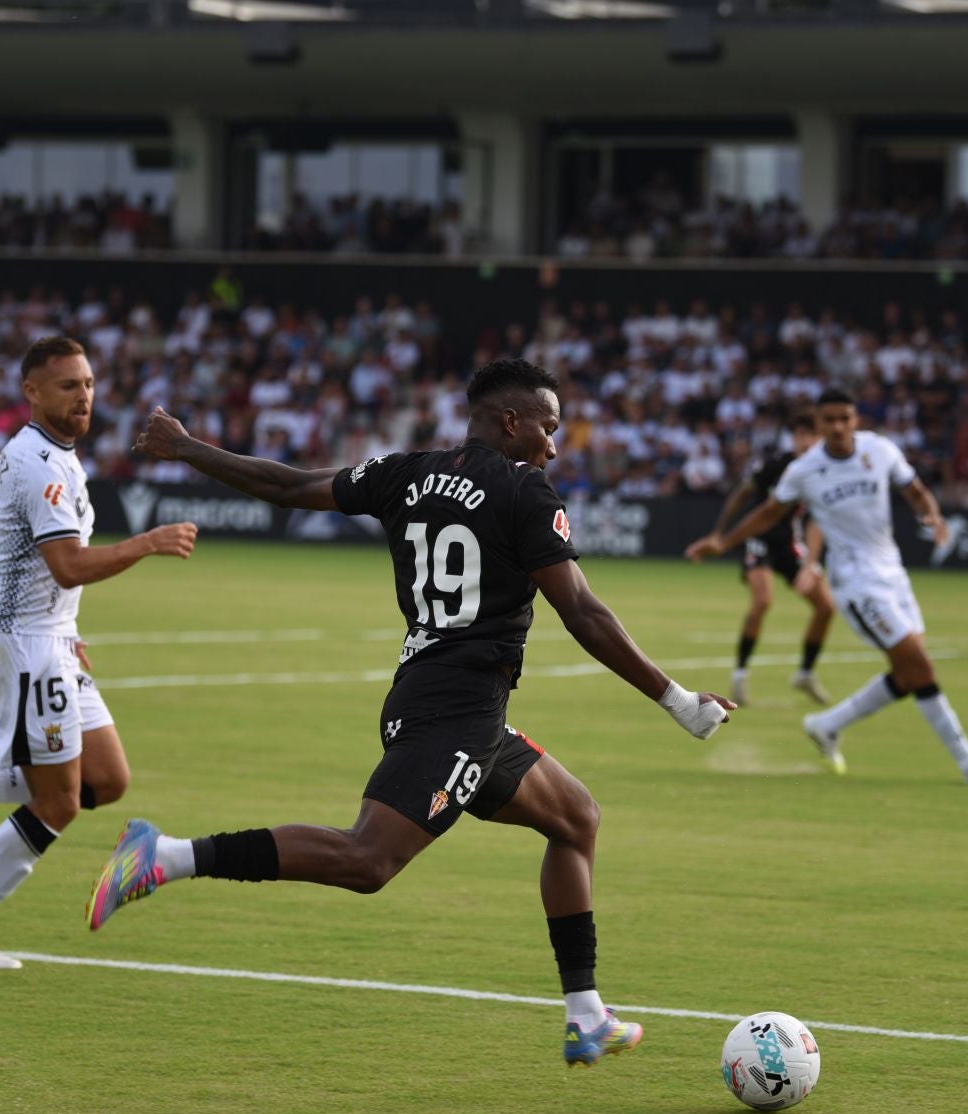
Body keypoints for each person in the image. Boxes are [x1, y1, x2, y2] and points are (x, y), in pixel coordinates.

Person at [87, 358, 735, 1068]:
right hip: (454, 713)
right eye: (548, 428)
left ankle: (586, 1016)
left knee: (575, 817)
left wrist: (187, 447)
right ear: (510, 421)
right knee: (368, 859)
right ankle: (166, 856)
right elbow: (580, 608)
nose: (554, 445)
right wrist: (676, 700)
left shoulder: (408, 470)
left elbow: (287, 484)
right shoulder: (524, 489)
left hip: (451, 705)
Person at [0, 336, 198, 969]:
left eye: (89, 383)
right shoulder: (38, 462)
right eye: (68, 385)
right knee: (60, 801)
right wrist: (147, 542)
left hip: (49, 639)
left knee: (107, 779)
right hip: (27, 647)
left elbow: (10, 553)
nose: (84, 396)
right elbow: (66, 565)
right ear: (31, 392)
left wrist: (65, 628)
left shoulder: (51, 457)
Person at [686, 389, 968, 785]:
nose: (838, 427)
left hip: (893, 575)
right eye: (829, 420)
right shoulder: (804, 470)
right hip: (856, 584)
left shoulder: (879, 450)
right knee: (920, 666)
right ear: (820, 422)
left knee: (910, 671)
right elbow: (768, 512)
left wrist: (931, 515)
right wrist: (723, 540)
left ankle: (827, 724)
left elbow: (914, 491)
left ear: (856, 419)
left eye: (845, 418)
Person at [704, 410, 837, 707]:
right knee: (763, 601)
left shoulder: (824, 470)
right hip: (759, 540)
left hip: (791, 544)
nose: (805, 441)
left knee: (826, 607)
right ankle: (739, 675)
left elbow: (819, 520)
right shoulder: (776, 465)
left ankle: (805, 673)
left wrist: (812, 564)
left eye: (811, 434)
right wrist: (719, 532)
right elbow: (742, 495)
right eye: (800, 434)